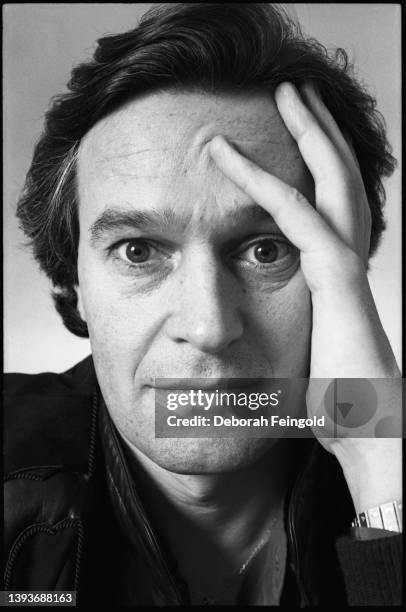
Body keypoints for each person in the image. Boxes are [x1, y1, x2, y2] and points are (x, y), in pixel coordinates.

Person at [4, 3, 402, 607]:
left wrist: (376, 445)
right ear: (71, 282)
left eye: (267, 250)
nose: (209, 326)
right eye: (138, 251)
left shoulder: (387, 445)